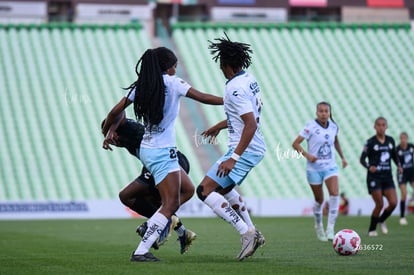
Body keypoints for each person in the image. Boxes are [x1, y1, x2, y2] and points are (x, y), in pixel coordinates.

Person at [102, 47, 223, 262]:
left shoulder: (142, 86)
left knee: (187, 190)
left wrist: (108, 131)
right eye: (174, 66)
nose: (175, 69)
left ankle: (153, 225)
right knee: (171, 204)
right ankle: (141, 250)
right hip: (162, 152)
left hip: (149, 149)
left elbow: (114, 112)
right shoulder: (174, 83)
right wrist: (228, 101)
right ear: (167, 67)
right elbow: (202, 97)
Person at [196, 33, 266, 261]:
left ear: (225, 64)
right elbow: (244, 117)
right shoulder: (249, 80)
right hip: (251, 147)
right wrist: (218, 126)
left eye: (220, 65)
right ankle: (253, 231)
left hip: (244, 150)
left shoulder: (234, 88)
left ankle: (246, 233)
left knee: (205, 190)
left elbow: (251, 123)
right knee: (224, 189)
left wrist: (233, 157)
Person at [101, 112, 196, 254]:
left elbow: (121, 112)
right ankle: (183, 233)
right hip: (161, 164)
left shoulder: (127, 127)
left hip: (171, 162)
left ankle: (154, 225)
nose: (112, 141)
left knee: (126, 195)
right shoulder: (124, 138)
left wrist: (112, 128)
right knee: (154, 202)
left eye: (110, 135)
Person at [292, 102, 347, 242]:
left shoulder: (334, 127)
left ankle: (330, 229)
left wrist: (342, 158)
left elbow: (336, 142)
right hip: (314, 168)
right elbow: (295, 143)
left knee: (335, 194)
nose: (323, 113)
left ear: (330, 113)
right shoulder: (310, 126)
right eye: (321, 111)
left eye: (326, 111)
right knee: (319, 200)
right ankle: (318, 225)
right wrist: (307, 155)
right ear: (317, 113)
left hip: (330, 166)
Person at [359, 117, 402, 236]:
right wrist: (369, 167)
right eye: (379, 125)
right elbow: (362, 159)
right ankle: (372, 230)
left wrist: (399, 165)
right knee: (380, 204)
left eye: (383, 125)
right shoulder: (370, 142)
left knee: (393, 203)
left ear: (386, 126)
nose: (381, 127)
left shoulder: (390, 140)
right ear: (375, 127)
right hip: (374, 177)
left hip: (387, 177)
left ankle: (381, 220)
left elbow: (394, 156)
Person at [396, 132, 414, 225]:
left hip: (411, 172)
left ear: (407, 139)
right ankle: (402, 217)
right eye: (401, 138)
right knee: (404, 194)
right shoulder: (397, 149)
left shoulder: (411, 147)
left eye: (404, 138)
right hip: (402, 173)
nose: (403, 140)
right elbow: (395, 161)